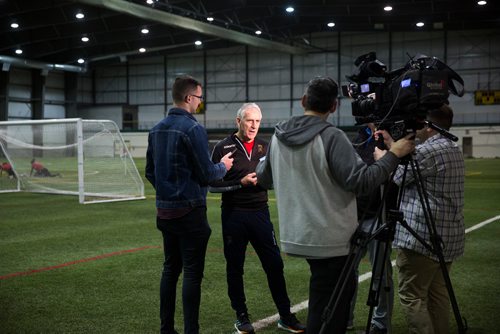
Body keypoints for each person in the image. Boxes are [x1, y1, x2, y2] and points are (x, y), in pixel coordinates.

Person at [255, 76, 415, 334]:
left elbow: (263, 178)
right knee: (333, 309)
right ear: (333, 107)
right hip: (331, 239)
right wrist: (394, 155)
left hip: (298, 234)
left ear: (303, 100)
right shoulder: (331, 136)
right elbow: (362, 182)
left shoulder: (279, 136)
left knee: (322, 296)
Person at [145, 75, 234, 334]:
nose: (199, 103)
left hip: (165, 212)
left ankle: (166, 329)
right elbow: (207, 174)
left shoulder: (156, 129)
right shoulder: (193, 129)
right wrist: (223, 166)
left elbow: (151, 172)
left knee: (170, 270)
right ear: (188, 98)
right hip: (190, 213)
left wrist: (166, 193)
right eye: (199, 98)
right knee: (192, 274)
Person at [209, 103, 306, 334]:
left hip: (261, 214)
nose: (254, 125)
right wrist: (238, 184)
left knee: (274, 265)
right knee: (235, 267)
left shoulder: (266, 145)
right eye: (249, 120)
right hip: (234, 215)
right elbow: (212, 185)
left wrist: (268, 182)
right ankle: (241, 316)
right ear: (238, 121)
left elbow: (274, 178)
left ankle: (285, 316)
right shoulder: (222, 147)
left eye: (258, 121)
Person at [388, 104, 465, 334]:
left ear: (430, 127)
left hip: (421, 237)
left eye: (422, 123)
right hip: (447, 237)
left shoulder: (428, 151)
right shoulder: (453, 148)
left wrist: (387, 153)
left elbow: (397, 177)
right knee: (437, 294)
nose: (418, 127)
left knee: (411, 295)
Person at [347, 123, 395, 334]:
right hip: (352, 216)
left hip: (379, 215)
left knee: (381, 274)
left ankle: (380, 324)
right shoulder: (357, 139)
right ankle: (344, 318)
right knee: (347, 272)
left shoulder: (391, 137)